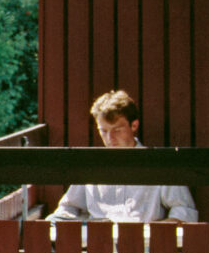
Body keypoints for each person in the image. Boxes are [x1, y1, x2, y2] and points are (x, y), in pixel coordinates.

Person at [51, 90, 198, 223]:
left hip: (145, 247)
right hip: (98, 245)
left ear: (134, 125)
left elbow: (184, 211)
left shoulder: (159, 163)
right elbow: (68, 208)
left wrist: (154, 233)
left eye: (117, 130)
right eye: (103, 131)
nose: (110, 138)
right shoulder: (91, 165)